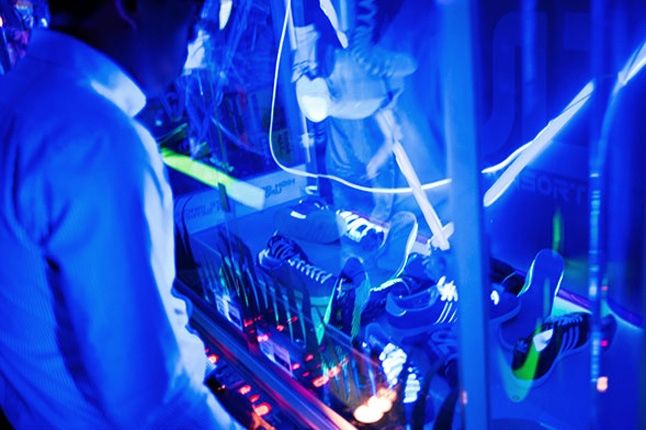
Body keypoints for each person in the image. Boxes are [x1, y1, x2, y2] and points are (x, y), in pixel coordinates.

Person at [0, 0, 242, 428]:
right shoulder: (96, 139)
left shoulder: (16, 94)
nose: (196, 26)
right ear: (129, 6)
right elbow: (155, 401)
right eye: (190, 10)